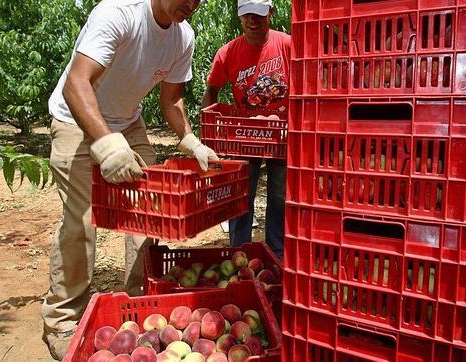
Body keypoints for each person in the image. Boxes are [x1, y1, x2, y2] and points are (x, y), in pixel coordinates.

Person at [42, 0, 217, 359]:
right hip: (75, 118)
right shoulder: (119, 12)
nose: (193, 4)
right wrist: (106, 146)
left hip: (127, 122)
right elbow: (77, 84)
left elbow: (172, 100)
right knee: (82, 220)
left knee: (151, 210)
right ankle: (62, 319)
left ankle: (140, 299)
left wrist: (190, 140)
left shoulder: (183, 37)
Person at [201, 0, 289, 259]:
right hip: (244, 136)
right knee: (241, 193)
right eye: (247, 15)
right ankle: (239, 252)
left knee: (279, 194)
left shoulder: (287, 45)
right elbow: (211, 91)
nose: (253, 20)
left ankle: (277, 252)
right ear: (239, 17)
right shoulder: (227, 53)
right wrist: (208, 127)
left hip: (281, 135)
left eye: (259, 14)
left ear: (270, 13)